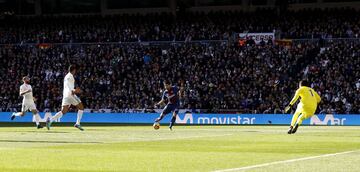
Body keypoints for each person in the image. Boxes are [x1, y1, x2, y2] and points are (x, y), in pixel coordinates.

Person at [46, 65, 84, 131]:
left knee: (63, 111)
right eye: (75, 70)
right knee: (81, 107)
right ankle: (77, 123)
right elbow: (70, 87)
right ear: (74, 70)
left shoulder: (66, 76)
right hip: (70, 95)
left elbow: (67, 86)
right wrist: (75, 90)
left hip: (65, 95)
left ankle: (50, 120)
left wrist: (74, 90)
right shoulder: (70, 77)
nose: (76, 71)